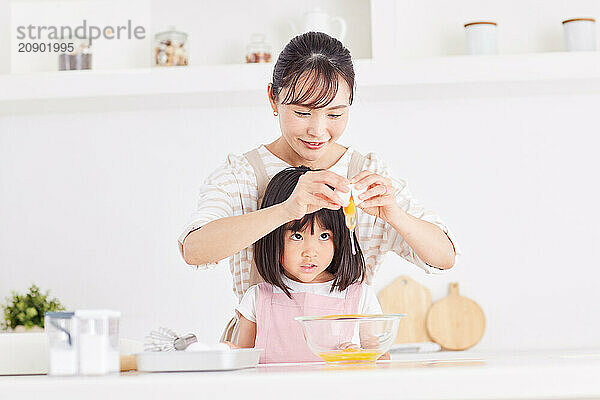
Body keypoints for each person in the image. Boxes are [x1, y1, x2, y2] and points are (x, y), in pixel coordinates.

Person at [178, 32, 460, 343]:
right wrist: (287, 210)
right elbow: (194, 250)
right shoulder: (243, 174)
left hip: (344, 356)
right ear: (273, 98)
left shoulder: (364, 172)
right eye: (302, 112)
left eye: (335, 114)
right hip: (262, 355)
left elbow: (443, 257)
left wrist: (395, 214)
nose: (318, 129)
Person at [233, 166, 384, 363]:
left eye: (324, 236)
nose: (310, 252)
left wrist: (358, 359)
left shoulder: (360, 296)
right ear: (273, 236)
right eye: (297, 236)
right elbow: (241, 363)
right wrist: (228, 352)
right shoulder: (257, 297)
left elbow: (382, 362)